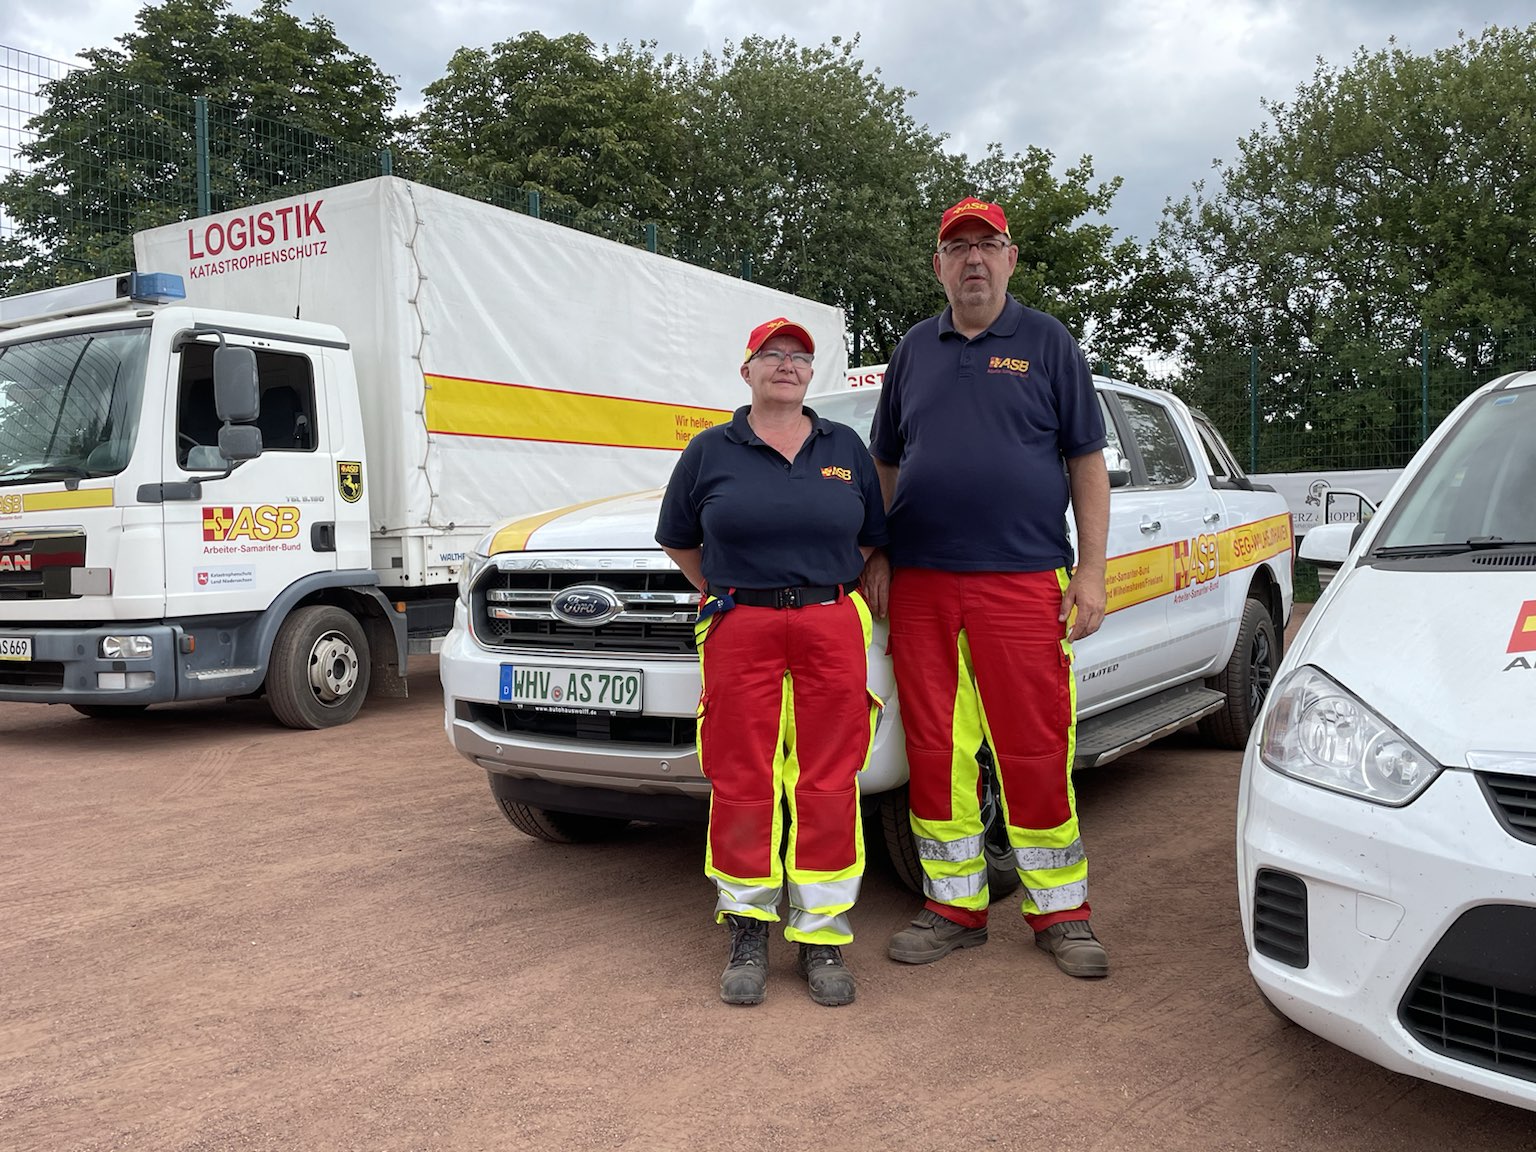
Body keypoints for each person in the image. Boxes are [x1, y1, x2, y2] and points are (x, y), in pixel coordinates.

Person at [865, 197, 1112, 978]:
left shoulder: (1048, 342)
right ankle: (953, 906)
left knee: (1035, 747)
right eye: (957, 247)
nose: (973, 258)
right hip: (924, 584)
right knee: (937, 751)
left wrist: (1093, 571)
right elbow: (886, 463)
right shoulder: (913, 349)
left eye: (988, 244)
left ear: (1011, 258)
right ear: (938, 266)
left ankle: (1061, 913)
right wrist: (876, 552)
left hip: (1022, 579)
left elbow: (1086, 462)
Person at [656, 317, 888, 1007]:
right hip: (741, 624)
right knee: (742, 776)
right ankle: (750, 926)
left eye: (799, 356)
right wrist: (728, 590)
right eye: (771, 355)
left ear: (811, 374)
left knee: (828, 778)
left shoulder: (844, 447)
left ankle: (822, 933)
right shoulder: (709, 451)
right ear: (747, 370)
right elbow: (679, 541)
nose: (786, 365)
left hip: (828, 622)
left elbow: (873, 539)